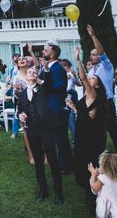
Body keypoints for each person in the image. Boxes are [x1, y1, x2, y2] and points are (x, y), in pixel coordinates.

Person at [17, 67, 64, 205]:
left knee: (52, 159)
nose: (32, 73)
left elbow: (48, 82)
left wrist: (47, 71)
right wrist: (21, 114)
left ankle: (58, 192)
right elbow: (20, 108)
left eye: (35, 72)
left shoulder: (44, 88)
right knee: (38, 161)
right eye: (30, 72)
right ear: (25, 77)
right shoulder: (22, 94)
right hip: (32, 129)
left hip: (46, 129)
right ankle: (43, 190)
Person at [68, 46, 107, 200]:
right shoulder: (87, 96)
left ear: (96, 85)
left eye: (93, 79)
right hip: (84, 128)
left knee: (87, 156)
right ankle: (89, 183)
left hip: (89, 133)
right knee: (83, 155)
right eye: (91, 77)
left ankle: (92, 186)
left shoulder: (93, 93)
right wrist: (74, 107)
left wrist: (77, 60)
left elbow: (82, 78)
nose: (90, 79)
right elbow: (86, 113)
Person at [38, 43, 73, 173]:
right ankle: (63, 162)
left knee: (61, 138)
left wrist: (43, 83)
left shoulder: (57, 68)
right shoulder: (48, 67)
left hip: (57, 107)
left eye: (45, 50)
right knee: (56, 137)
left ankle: (65, 166)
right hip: (49, 107)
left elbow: (60, 87)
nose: (43, 52)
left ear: (52, 54)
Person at [86, 25, 117, 151]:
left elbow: (102, 52)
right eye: (90, 54)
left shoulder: (106, 66)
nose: (91, 56)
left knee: (113, 130)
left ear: (99, 56)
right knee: (97, 130)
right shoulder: (92, 70)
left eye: (94, 54)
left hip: (107, 103)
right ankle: (101, 155)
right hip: (95, 103)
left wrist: (93, 36)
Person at [89, 152, 117, 217]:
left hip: (106, 207)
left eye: (100, 165)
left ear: (104, 168)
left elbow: (94, 189)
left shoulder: (102, 178)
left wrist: (93, 174)